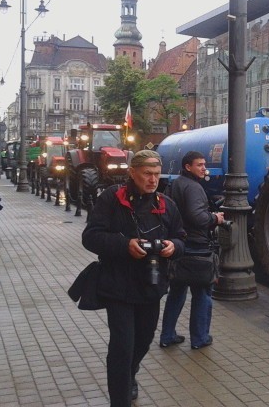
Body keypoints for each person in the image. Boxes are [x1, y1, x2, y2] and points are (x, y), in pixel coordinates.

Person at [81, 150, 185, 406]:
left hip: (151, 285)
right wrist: (124, 244)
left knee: (144, 340)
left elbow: (182, 237)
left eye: (157, 174)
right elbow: (90, 236)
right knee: (122, 347)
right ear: (132, 172)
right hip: (118, 285)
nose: (153, 180)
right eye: (147, 174)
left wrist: (174, 246)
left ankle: (129, 373)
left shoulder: (166, 204)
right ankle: (121, 397)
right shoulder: (112, 199)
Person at [160, 150, 224, 350]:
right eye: (199, 165)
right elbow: (198, 217)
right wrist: (215, 218)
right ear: (188, 167)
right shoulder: (194, 188)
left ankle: (167, 335)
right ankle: (200, 338)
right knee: (202, 293)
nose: (204, 168)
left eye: (204, 164)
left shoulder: (176, 183)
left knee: (177, 293)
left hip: (178, 246)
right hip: (196, 248)